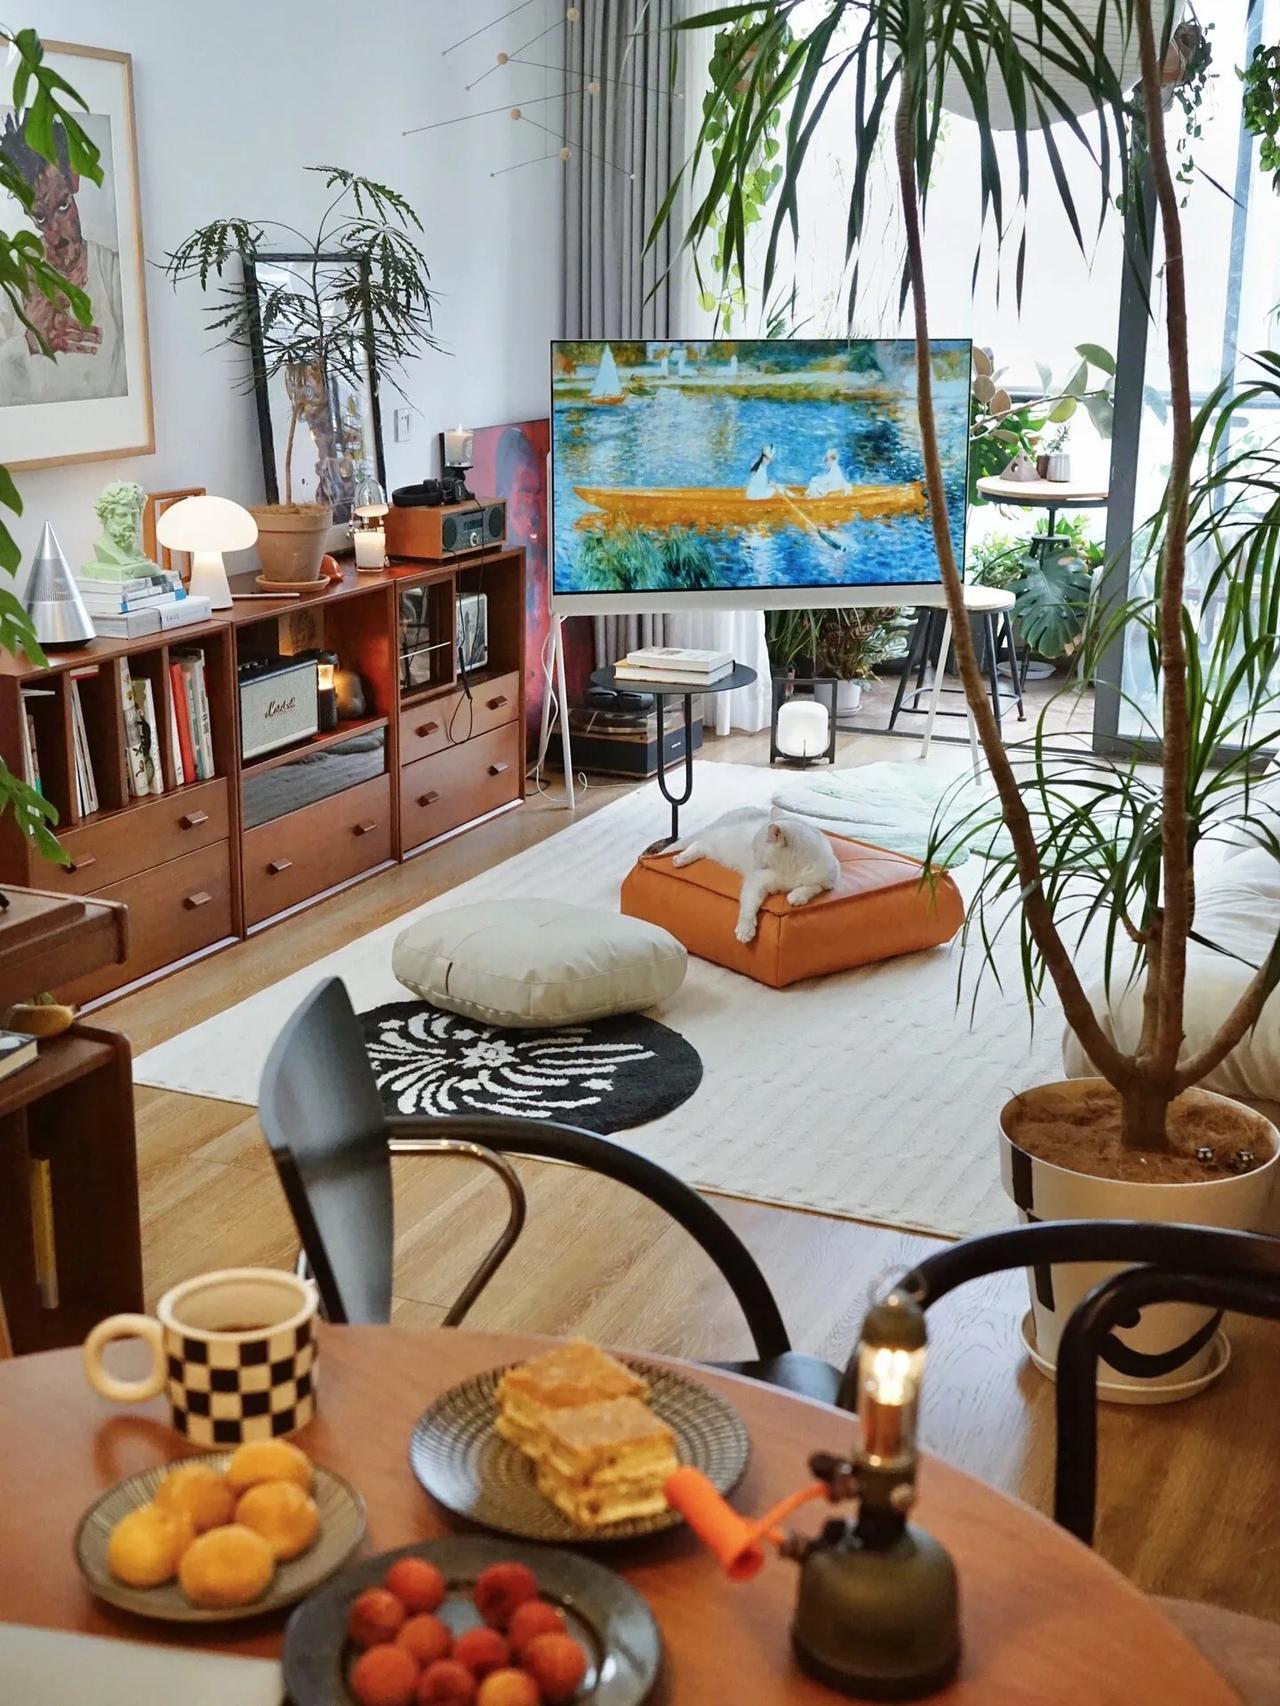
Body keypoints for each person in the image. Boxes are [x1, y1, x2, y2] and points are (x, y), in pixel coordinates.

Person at [0, 113, 127, 405]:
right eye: (40, 218)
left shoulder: (113, 272)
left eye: (62, 206)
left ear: (74, 178)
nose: (54, 234)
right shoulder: (11, 283)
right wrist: (29, 343)